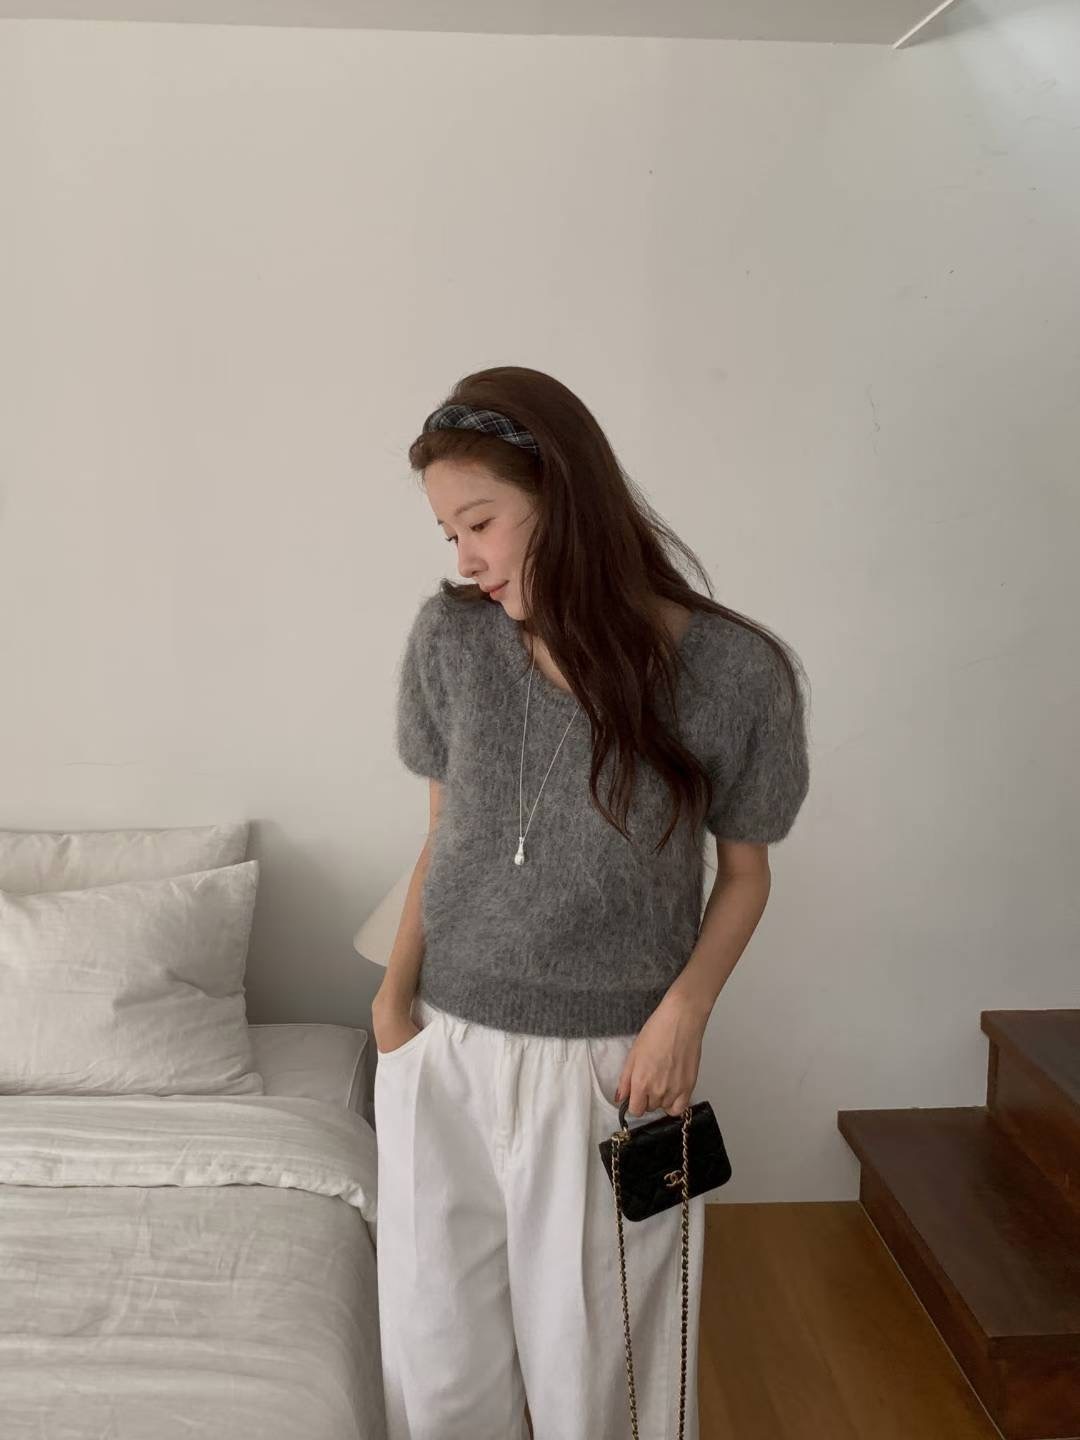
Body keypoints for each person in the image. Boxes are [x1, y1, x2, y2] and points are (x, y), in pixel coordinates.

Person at [371, 365, 811, 1440]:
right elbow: (442, 837)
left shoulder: (733, 673)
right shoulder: (451, 642)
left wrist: (683, 1013)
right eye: (448, 533)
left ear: (563, 499)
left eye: (482, 523)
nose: (465, 558)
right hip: (441, 1050)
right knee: (440, 1376)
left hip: (614, 1071)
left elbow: (745, 873)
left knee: (607, 1385)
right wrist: (392, 1012)